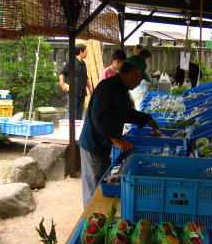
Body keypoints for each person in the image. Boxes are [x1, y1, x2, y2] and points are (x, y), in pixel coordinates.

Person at [78, 55, 159, 208]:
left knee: (102, 182)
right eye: (140, 79)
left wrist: (145, 118)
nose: (139, 83)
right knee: (93, 187)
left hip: (105, 143)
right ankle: (89, 223)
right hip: (93, 144)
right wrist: (116, 140)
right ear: (132, 74)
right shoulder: (107, 87)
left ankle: (100, 215)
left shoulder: (121, 89)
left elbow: (126, 113)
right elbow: (99, 117)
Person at [59, 43, 93, 120]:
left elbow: (86, 77)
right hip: (72, 92)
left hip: (81, 92)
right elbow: (62, 73)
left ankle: (76, 130)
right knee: (71, 111)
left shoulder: (83, 64)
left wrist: (90, 87)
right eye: (86, 51)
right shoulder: (71, 62)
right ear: (81, 52)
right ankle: (66, 129)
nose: (87, 52)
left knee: (79, 112)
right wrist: (62, 84)